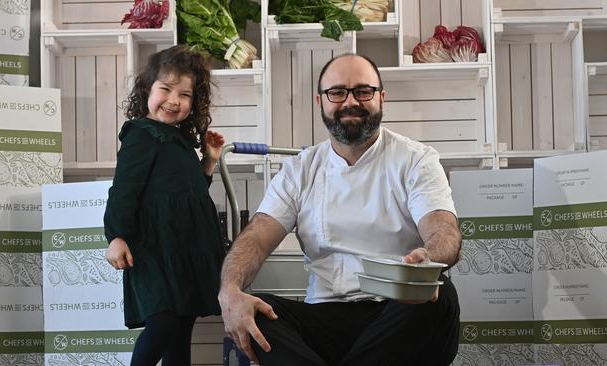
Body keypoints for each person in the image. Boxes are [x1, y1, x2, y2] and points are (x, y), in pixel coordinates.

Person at [218, 53, 462, 366]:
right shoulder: (299, 170)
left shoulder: (416, 159)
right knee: (254, 310)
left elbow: (444, 230)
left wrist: (429, 258)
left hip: (398, 313)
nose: (350, 102)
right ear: (319, 102)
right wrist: (230, 290)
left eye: (363, 91)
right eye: (337, 92)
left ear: (381, 98)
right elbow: (257, 237)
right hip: (324, 316)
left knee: (439, 297)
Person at [104, 45, 226, 366]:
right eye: (166, 89)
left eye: (184, 95)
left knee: (182, 326)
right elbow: (123, 190)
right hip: (155, 249)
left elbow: (192, 194)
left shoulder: (181, 141)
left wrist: (209, 163)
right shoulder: (142, 134)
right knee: (163, 322)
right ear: (147, 89)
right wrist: (116, 236)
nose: (173, 100)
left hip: (185, 247)